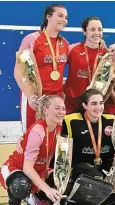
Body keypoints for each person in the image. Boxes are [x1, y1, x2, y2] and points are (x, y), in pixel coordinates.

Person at [0, 95, 66, 205]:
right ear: (46, 110)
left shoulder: (58, 128)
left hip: (39, 170)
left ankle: (34, 200)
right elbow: (27, 168)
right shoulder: (38, 131)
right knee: (21, 184)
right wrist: (47, 190)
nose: (61, 112)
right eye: (57, 108)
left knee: (61, 178)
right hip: (16, 169)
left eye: (63, 108)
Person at [61, 89, 115, 205]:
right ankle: (79, 201)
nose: (98, 107)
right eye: (93, 103)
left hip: (104, 169)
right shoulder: (70, 121)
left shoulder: (113, 121)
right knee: (93, 175)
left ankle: (111, 199)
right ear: (84, 105)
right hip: (81, 170)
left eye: (101, 103)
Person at [14, 4, 69, 133]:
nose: (64, 20)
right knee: (31, 136)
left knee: (52, 138)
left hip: (55, 101)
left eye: (66, 17)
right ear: (48, 17)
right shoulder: (31, 39)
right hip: (35, 99)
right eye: (60, 16)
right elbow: (19, 71)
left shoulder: (65, 43)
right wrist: (31, 96)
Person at [63, 16, 108, 113]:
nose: (97, 33)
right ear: (84, 31)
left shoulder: (106, 54)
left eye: (99, 29)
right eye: (92, 29)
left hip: (94, 105)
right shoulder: (73, 49)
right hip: (72, 103)